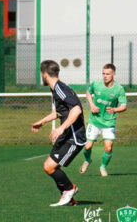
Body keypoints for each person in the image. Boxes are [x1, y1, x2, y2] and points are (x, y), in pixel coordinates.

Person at [31, 60, 86, 207]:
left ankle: (70, 189)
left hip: (74, 137)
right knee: (49, 166)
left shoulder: (61, 89)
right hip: (66, 136)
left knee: (50, 167)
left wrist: (61, 128)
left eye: (41, 74)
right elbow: (60, 112)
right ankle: (69, 198)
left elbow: (76, 109)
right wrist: (42, 122)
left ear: (44, 74)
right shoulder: (56, 89)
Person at [79, 63, 127, 177]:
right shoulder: (96, 84)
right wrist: (91, 105)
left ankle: (103, 167)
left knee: (108, 147)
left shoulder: (119, 89)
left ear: (113, 74)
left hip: (109, 122)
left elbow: (124, 106)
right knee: (87, 146)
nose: (105, 76)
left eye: (108, 74)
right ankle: (87, 160)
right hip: (95, 121)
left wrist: (115, 109)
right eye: (103, 73)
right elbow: (88, 92)